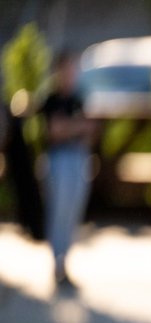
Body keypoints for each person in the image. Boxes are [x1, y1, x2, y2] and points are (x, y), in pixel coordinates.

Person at [40, 50, 97, 289]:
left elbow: (91, 130)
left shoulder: (78, 98)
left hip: (77, 158)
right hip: (59, 159)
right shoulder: (52, 100)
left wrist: (71, 128)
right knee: (59, 211)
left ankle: (66, 261)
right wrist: (76, 128)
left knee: (73, 211)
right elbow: (55, 131)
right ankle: (57, 262)